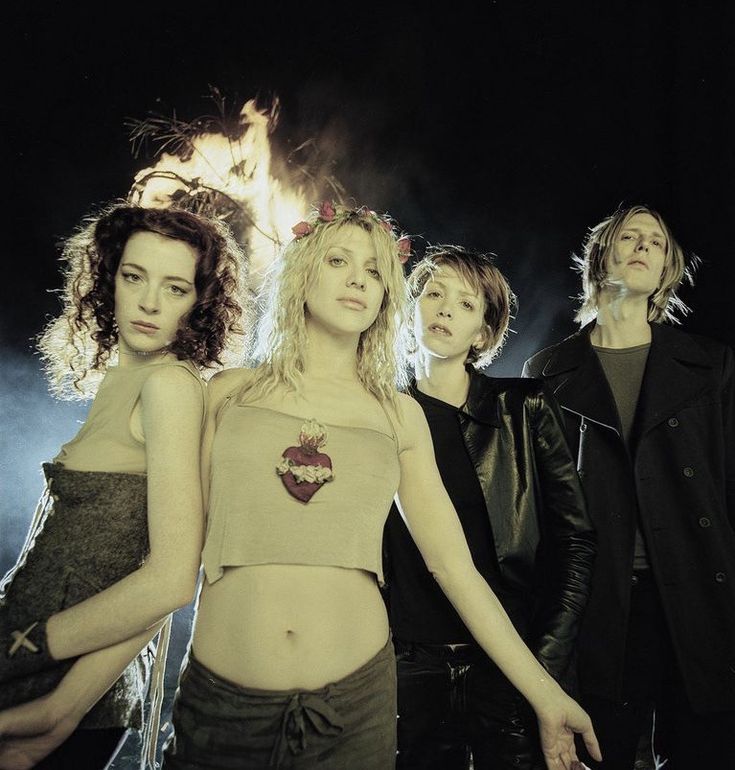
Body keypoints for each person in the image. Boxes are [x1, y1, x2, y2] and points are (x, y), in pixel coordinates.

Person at [161, 202, 601, 770]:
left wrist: (547, 696)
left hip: (356, 703)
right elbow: (170, 564)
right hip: (223, 702)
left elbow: (456, 571)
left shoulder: (397, 415)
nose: (357, 280)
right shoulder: (228, 393)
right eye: (339, 260)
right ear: (302, 273)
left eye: (373, 271)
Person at [0, 203, 245, 769]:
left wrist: (40, 671)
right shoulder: (129, 377)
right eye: (134, 276)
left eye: (176, 287)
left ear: (201, 302)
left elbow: (168, 581)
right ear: (108, 276)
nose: (150, 302)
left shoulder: (168, 386)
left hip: (53, 674)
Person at [523, 205, 735, 769]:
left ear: (667, 270)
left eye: (657, 243)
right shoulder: (547, 371)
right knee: (605, 754)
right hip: (602, 605)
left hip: (698, 594)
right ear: (601, 257)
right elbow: (543, 511)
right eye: (629, 237)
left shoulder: (711, 366)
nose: (643, 246)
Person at [382, 245, 596, 769]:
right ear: (412, 308)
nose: (445, 309)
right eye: (433, 294)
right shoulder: (377, 411)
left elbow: (575, 543)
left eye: (466, 302)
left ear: (483, 332)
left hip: (508, 664)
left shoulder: (524, 410)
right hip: (404, 669)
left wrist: (538, 667)